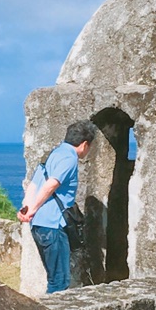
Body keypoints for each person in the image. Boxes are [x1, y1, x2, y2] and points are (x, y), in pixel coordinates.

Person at [18, 121, 94, 295]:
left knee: (54, 277)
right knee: (59, 281)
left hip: (39, 225)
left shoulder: (52, 154)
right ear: (84, 144)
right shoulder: (69, 158)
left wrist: (26, 209)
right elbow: (50, 185)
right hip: (53, 225)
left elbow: (34, 185)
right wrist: (33, 209)